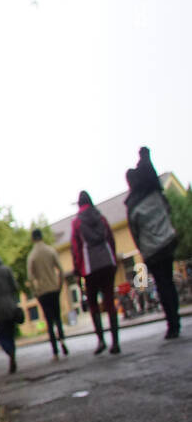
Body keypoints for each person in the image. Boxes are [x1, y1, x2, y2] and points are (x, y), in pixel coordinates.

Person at [125, 147, 181, 339]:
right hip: (167, 241)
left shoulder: (133, 207)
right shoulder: (156, 195)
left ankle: (172, 323)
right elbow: (168, 211)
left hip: (152, 250)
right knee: (169, 282)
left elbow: (135, 233)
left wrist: (143, 250)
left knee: (163, 284)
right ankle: (176, 319)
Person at [70, 190, 121, 354]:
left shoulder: (77, 223)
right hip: (107, 262)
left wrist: (78, 271)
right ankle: (115, 341)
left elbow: (76, 248)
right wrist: (113, 258)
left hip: (89, 267)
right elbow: (111, 239)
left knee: (93, 304)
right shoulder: (101, 218)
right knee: (109, 301)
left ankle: (101, 340)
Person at [26, 228, 68, 358]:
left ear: (33, 238)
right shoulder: (50, 251)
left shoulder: (32, 255)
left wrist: (35, 291)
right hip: (54, 288)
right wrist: (59, 285)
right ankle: (62, 340)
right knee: (57, 317)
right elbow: (60, 270)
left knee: (49, 321)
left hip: (43, 292)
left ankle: (55, 350)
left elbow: (30, 277)